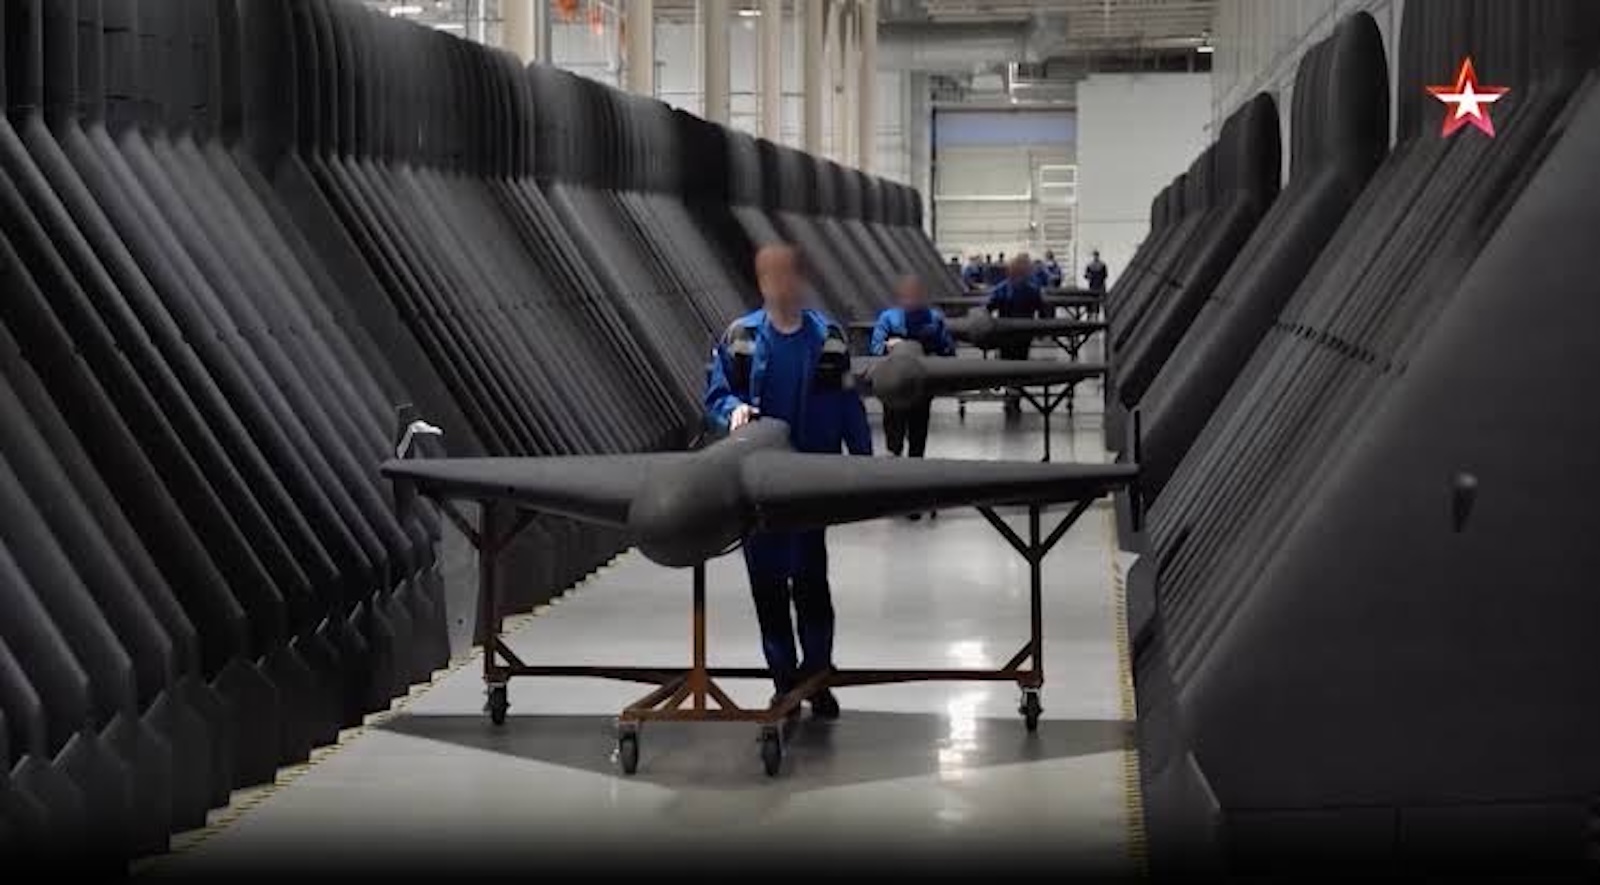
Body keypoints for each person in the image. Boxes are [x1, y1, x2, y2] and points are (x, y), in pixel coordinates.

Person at [705, 244, 872, 720]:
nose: (779, 283)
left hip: (811, 484)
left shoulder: (829, 339)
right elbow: (717, 394)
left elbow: (848, 404)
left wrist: (865, 466)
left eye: (786, 274)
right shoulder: (740, 338)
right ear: (760, 282)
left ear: (800, 279)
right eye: (769, 275)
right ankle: (784, 683)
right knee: (769, 588)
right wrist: (731, 410)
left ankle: (817, 677)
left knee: (812, 583)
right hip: (758, 489)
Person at [871, 275, 955, 515]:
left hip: (921, 389)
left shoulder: (934, 320)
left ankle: (914, 497)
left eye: (916, 292)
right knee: (894, 443)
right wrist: (888, 346)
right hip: (893, 389)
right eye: (908, 293)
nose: (912, 297)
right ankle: (896, 491)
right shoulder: (888, 319)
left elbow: (948, 351)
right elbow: (875, 347)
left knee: (917, 443)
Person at [986, 254, 1049, 414]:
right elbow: (1043, 312)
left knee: (1007, 364)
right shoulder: (1033, 290)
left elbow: (988, 308)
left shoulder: (1001, 289)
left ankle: (1010, 395)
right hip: (1024, 334)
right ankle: (1015, 396)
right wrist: (1042, 331)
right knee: (1020, 364)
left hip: (1005, 334)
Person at [1085, 250, 1110, 319]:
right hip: (1099, 285)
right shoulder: (1102, 265)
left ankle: (1092, 315)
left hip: (1094, 285)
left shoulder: (1090, 265)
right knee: (1100, 301)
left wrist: (1090, 276)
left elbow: (1086, 276)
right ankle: (1096, 315)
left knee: (1094, 301)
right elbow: (1105, 275)